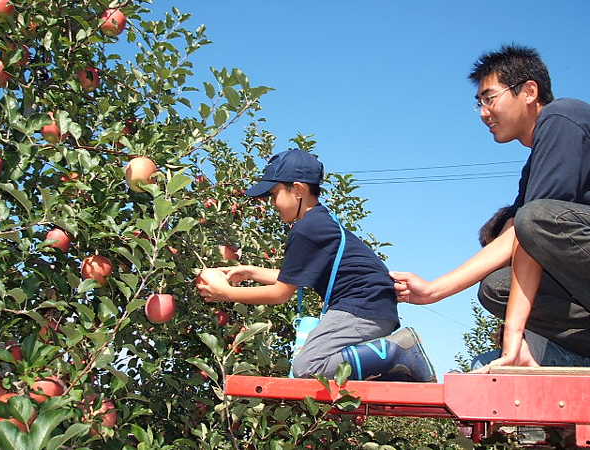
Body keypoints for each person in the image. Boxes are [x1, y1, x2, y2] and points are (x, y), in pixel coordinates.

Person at [391, 44, 590, 371]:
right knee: (497, 288)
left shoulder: (562, 117)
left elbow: (530, 230)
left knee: (534, 219)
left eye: (489, 98)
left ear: (529, 91)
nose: (484, 112)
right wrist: (432, 290)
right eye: (478, 103)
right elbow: (514, 237)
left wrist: (511, 340)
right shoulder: (533, 167)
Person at [196, 148, 436, 382]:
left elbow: (281, 293)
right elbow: (292, 277)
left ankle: (398, 352)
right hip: (373, 307)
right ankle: (399, 371)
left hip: (361, 308)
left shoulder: (306, 229)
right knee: (321, 368)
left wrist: (225, 293)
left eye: (274, 194)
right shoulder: (319, 221)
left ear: (298, 189)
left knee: (308, 367)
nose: (272, 203)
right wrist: (249, 271)